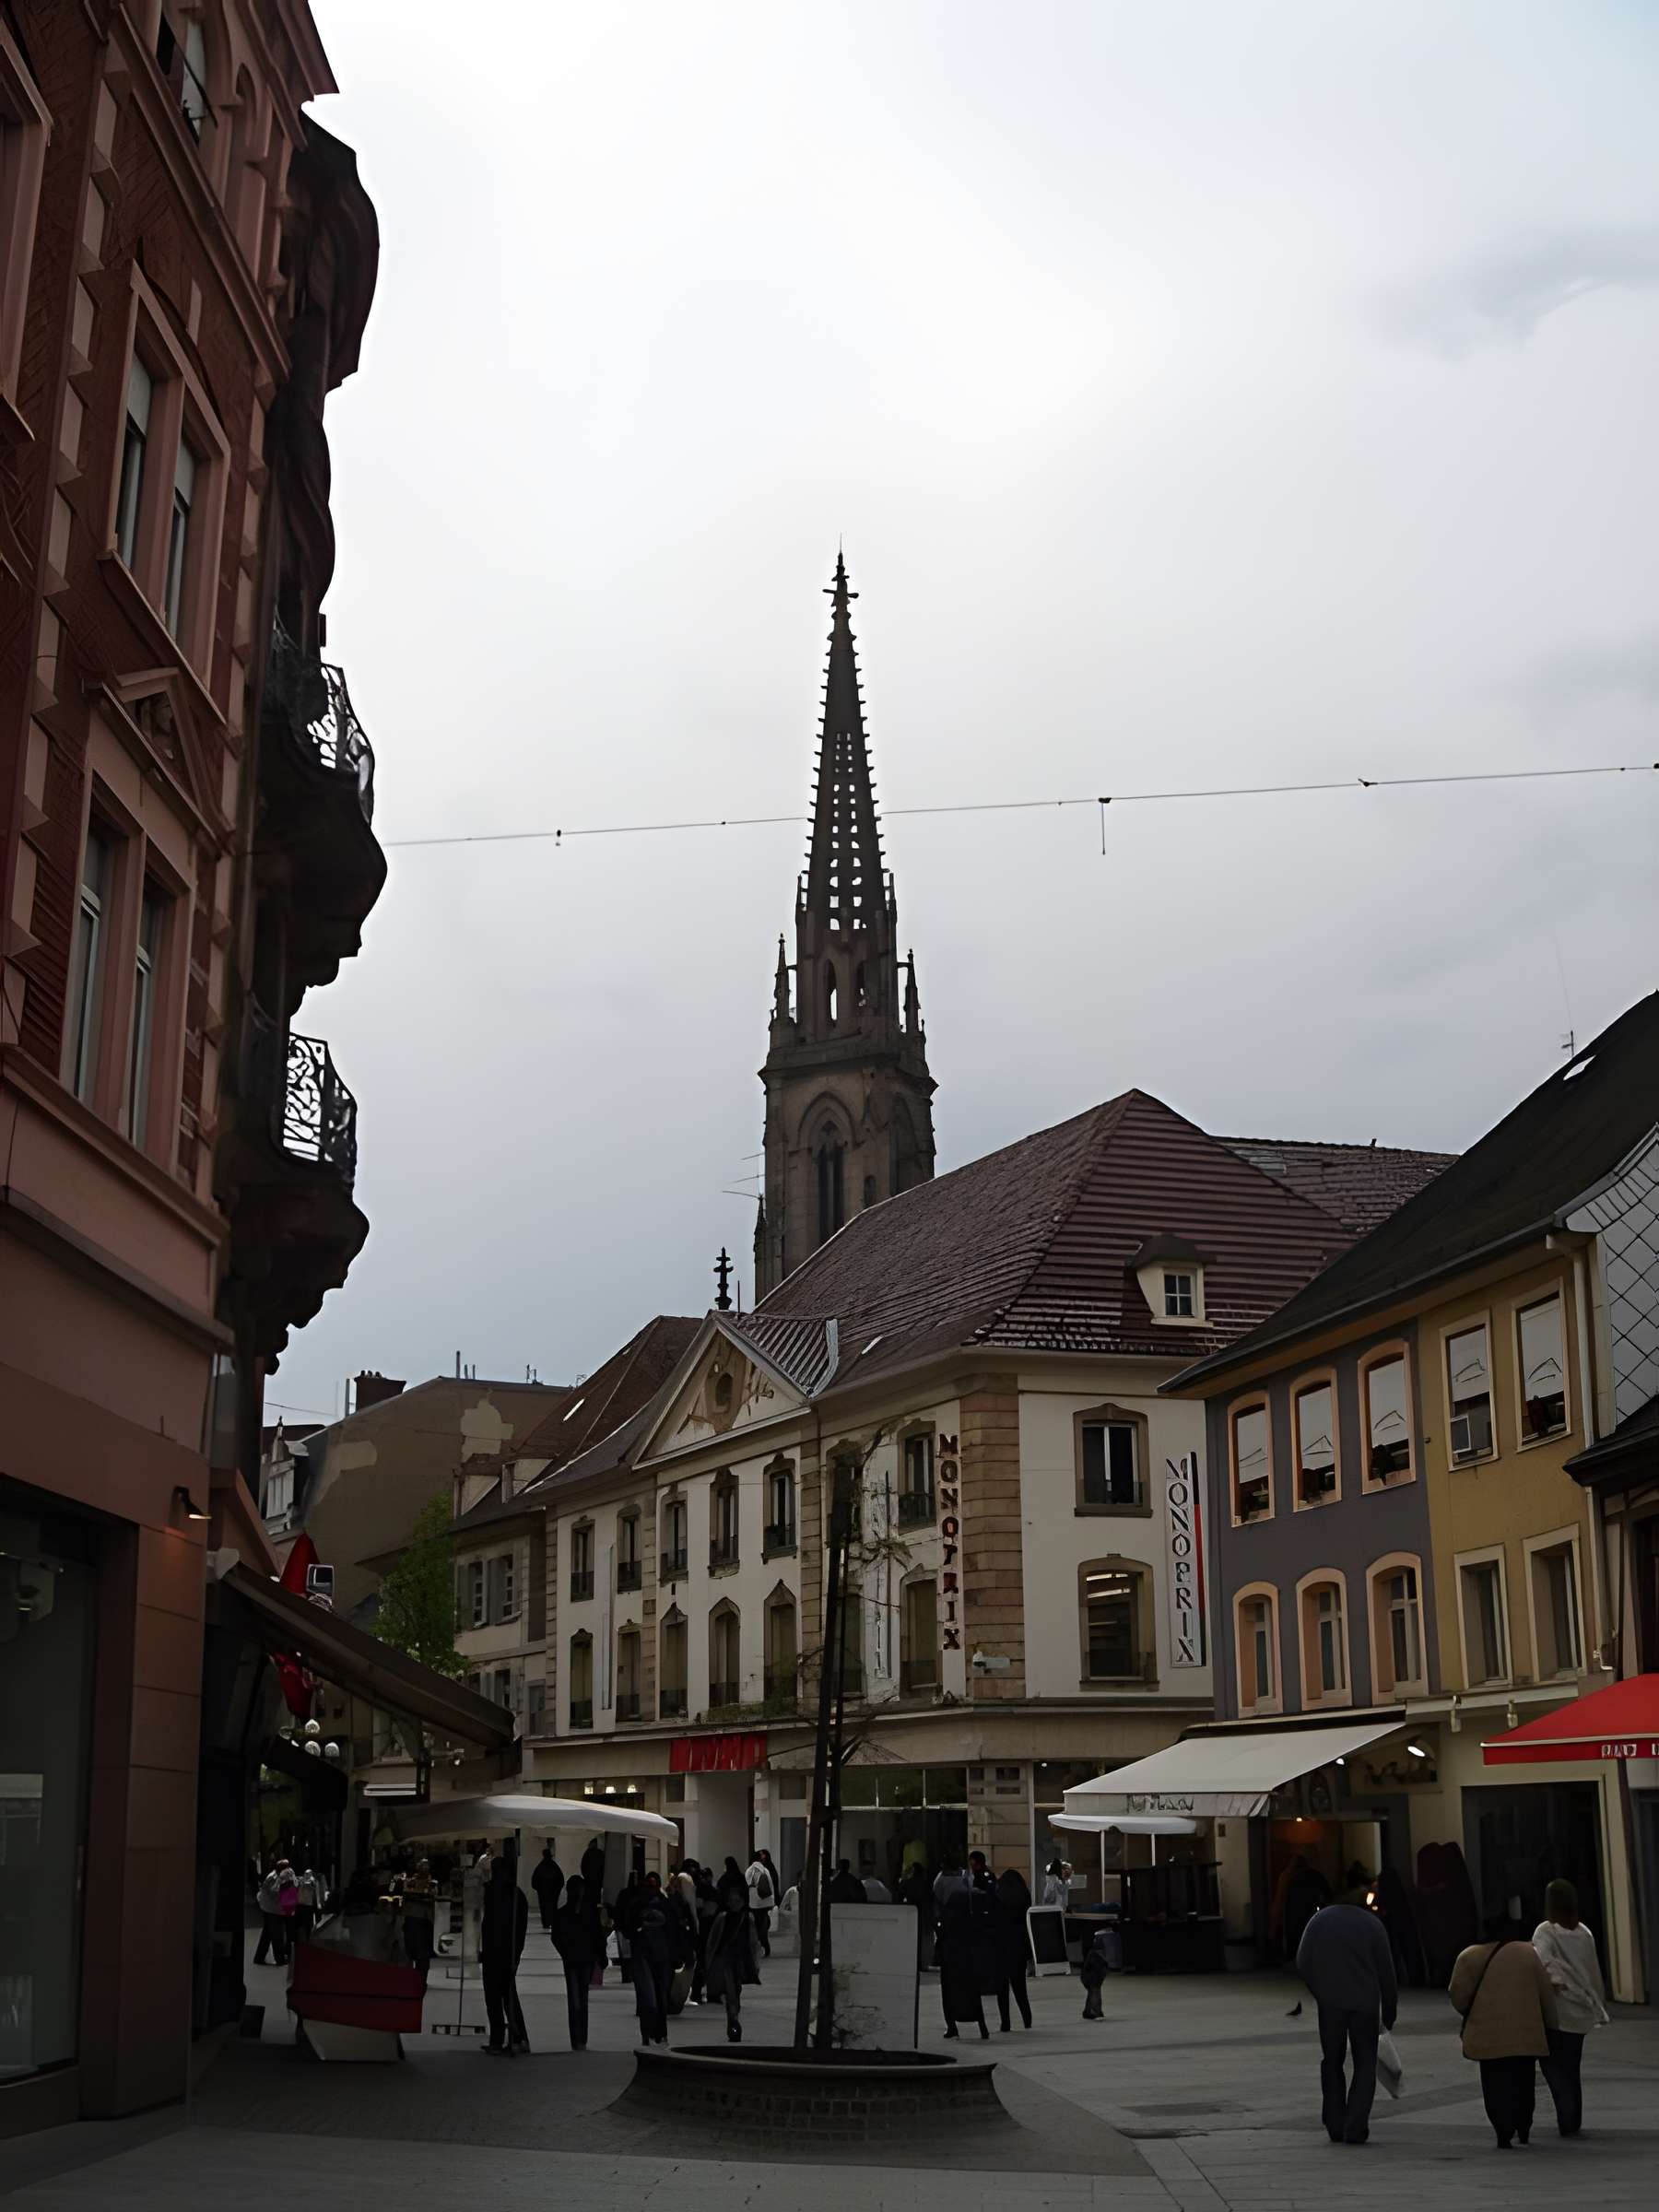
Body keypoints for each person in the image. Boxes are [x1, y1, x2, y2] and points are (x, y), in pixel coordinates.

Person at [1295, 1888, 1398, 2146]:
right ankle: (1355, 2125)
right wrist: (1390, 2009)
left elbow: (1302, 1959)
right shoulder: (1373, 1925)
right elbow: (1387, 1971)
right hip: (1365, 2006)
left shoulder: (1318, 1921)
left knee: (1332, 2061)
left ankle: (1334, 2122)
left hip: (1330, 2005)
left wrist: (1319, 1990)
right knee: (1365, 2064)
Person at [1449, 1924, 1559, 2147]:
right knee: (1524, 2081)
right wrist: (1551, 2025)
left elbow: (1458, 1995)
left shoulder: (1468, 1957)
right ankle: (1523, 2125)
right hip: (1524, 2033)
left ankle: (1502, 2130)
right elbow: (1545, 1992)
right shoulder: (1528, 1953)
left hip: (1488, 2034)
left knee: (1494, 2083)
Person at [1533, 1878, 1608, 2138]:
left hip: (1558, 2008)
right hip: (1581, 2010)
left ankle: (1566, 2115)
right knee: (1572, 2066)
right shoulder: (1584, 1932)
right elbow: (1592, 1970)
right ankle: (1572, 2118)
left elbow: (1540, 1961)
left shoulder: (1546, 1931)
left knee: (1552, 2064)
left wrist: (1555, 1981)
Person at [479, 1854, 529, 2055]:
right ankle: (516, 2037)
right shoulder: (512, 1894)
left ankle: (505, 2038)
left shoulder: (501, 1894)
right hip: (502, 1952)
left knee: (497, 1996)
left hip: (498, 1952)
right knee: (507, 1996)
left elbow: (516, 1928)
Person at [630, 1872, 683, 2046]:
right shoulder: (640, 1904)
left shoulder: (665, 1905)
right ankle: (649, 2033)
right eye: (649, 1885)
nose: (651, 1889)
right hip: (645, 1956)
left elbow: (674, 1931)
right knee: (650, 1998)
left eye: (654, 1885)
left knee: (659, 1997)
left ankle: (659, 2032)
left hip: (661, 1957)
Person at [703, 1872, 758, 2041]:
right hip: (726, 1959)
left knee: (735, 1991)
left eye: (736, 1901)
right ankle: (733, 2020)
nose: (734, 1904)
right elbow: (712, 1941)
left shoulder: (747, 1918)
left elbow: (753, 1943)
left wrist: (755, 1963)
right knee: (731, 1992)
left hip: (740, 1960)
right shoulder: (723, 1918)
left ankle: (733, 2018)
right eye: (731, 1901)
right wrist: (709, 1960)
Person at [553, 1874, 604, 2050]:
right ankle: (579, 2037)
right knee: (578, 1999)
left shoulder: (579, 1914)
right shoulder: (572, 1914)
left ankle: (579, 2037)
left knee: (578, 1998)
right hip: (577, 1959)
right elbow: (597, 1935)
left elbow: (597, 1935)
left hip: (581, 1959)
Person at [937, 1884, 991, 2040]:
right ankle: (982, 2027)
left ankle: (952, 2026)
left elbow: (941, 1937)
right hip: (968, 1963)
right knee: (973, 1997)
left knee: (948, 1995)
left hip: (950, 1963)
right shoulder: (970, 1919)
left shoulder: (948, 1918)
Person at [994, 1866, 1033, 2031]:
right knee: (1020, 1986)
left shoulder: (999, 1897)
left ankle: (1005, 2023)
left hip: (1002, 1945)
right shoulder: (1023, 1897)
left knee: (1002, 1987)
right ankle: (1027, 2019)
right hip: (1019, 1946)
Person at [400, 1859, 439, 1984]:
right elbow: (406, 1897)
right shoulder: (410, 1882)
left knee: (423, 1954)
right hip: (413, 1918)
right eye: (422, 1867)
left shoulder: (432, 1884)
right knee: (411, 1951)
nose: (424, 1869)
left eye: (426, 1867)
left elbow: (433, 1898)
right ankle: (413, 1977)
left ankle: (420, 1979)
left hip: (425, 1920)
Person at [253, 1861, 294, 1966]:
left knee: (267, 1934)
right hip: (271, 1909)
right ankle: (280, 1959)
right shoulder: (274, 1878)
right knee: (277, 1934)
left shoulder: (278, 1876)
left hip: (271, 1908)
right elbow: (274, 1893)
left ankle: (259, 1957)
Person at [746, 1848, 775, 1957]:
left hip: (754, 1903)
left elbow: (747, 1885)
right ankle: (765, 1946)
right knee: (763, 1924)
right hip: (765, 1903)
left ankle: (758, 1946)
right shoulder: (765, 1870)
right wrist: (772, 1901)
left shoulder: (749, 1870)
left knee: (756, 1926)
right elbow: (771, 1886)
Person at [1080, 1924, 1113, 2019]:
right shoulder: (1101, 1951)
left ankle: (1093, 2011)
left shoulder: (1096, 1950)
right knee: (1094, 1989)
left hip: (1092, 1969)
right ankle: (1092, 2011)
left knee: (1093, 1989)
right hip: (1097, 1969)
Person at [531, 1844, 565, 1932]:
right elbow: (561, 1879)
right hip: (553, 1892)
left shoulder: (540, 1866)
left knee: (544, 1908)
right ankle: (552, 1922)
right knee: (553, 1907)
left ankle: (546, 1923)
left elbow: (534, 1880)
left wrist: (539, 1889)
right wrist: (557, 1890)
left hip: (543, 1892)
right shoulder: (554, 1866)